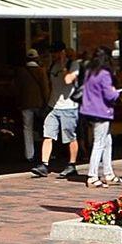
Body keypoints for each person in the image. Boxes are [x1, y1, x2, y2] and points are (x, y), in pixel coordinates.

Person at [30, 49, 83, 179]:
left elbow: (68, 80)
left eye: (57, 52)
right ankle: (44, 164)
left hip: (68, 107)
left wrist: (64, 65)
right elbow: (50, 84)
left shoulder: (73, 64)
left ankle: (72, 164)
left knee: (70, 137)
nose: (54, 55)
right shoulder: (53, 65)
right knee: (48, 134)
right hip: (53, 106)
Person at [78, 48, 122, 187]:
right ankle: (92, 175)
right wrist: (116, 92)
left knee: (107, 141)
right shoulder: (104, 74)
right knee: (99, 143)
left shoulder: (89, 72)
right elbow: (109, 95)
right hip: (101, 111)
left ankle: (108, 173)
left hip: (89, 111)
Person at [13, 49, 47, 164]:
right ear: (37, 58)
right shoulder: (41, 71)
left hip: (25, 103)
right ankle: (46, 153)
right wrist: (47, 102)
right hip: (39, 102)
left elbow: (17, 89)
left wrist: (18, 102)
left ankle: (29, 154)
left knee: (27, 128)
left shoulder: (21, 72)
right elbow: (45, 88)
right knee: (44, 128)